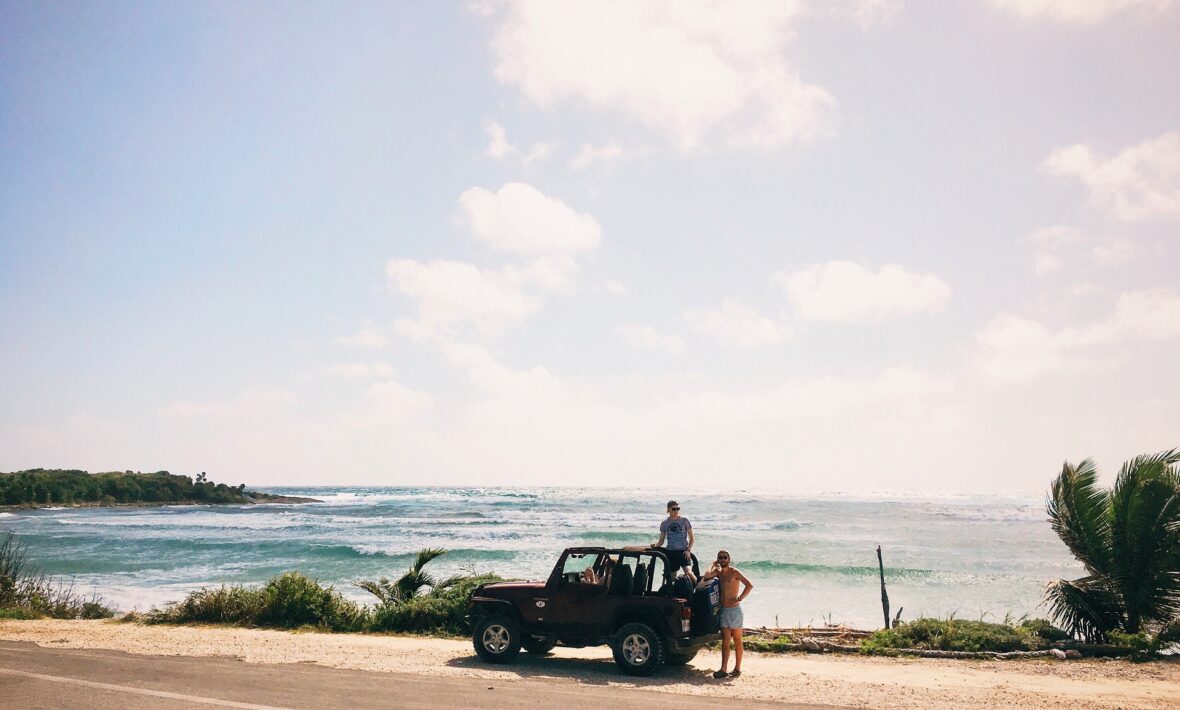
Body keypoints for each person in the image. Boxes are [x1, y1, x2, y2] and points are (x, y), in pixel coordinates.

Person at [704, 549, 752, 679]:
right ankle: (723, 669)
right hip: (723, 611)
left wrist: (740, 598)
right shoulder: (718, 573)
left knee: (737, 640)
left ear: (729, 559)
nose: (723, 559)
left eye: (725, 557)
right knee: (725, 641)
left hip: (735, 611)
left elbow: (749, 585)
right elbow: (707, 575)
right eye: (720, 557)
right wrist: (713, 564)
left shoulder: (734, 572)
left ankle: (737, 668)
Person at [653, 500, 696, 584]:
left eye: (678, 509)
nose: (676, 511)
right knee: (671, 579)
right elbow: (661, 541)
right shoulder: (664, 523)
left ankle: (698, 590)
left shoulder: (685, 521)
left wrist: (688, 550)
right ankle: (672, 595)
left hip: (683, 552)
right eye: (674, 509)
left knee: (689, 573)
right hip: (670, 553)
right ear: (668, 509)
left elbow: (692, 538)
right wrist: (655, 545)